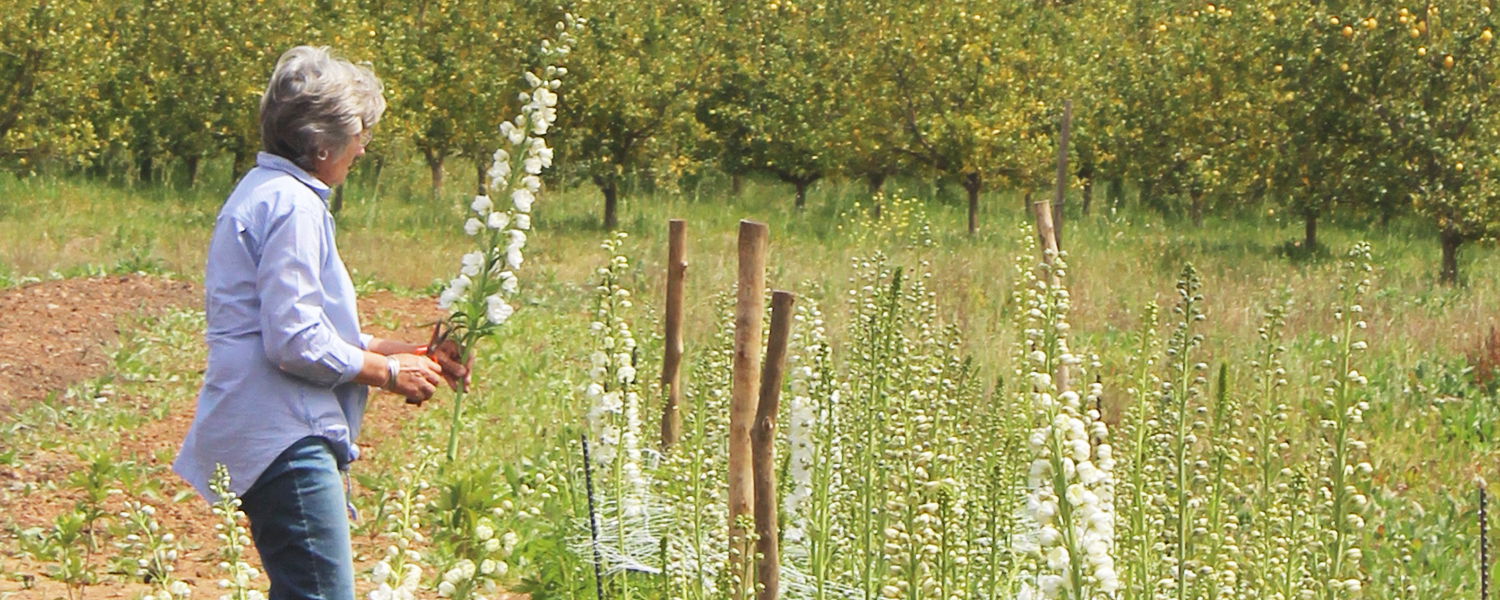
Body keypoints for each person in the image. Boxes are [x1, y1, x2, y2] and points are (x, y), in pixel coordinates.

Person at [174, 46, 467, 600]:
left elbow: (303, 327)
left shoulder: (268, 193)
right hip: (284, 432)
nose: (364, 145)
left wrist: (412, 352)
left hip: (272, 424)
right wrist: (387, 372)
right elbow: (294, 343)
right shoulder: (293, 206)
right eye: (359, 131)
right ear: (322, 142)